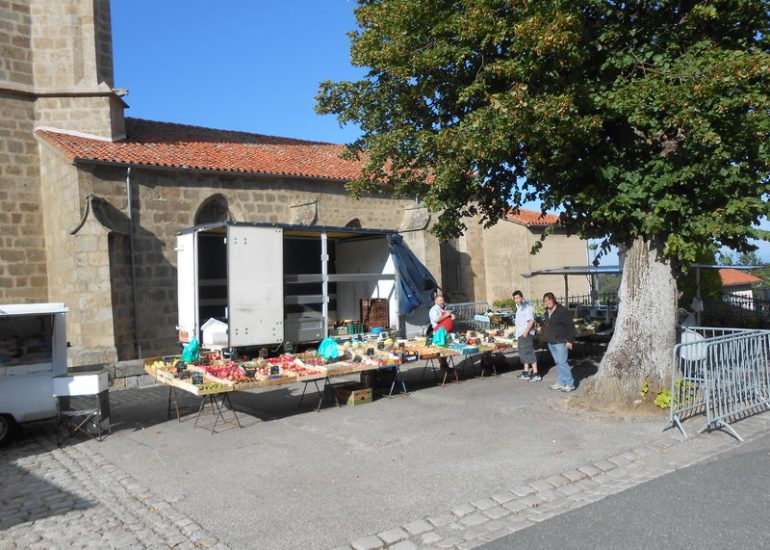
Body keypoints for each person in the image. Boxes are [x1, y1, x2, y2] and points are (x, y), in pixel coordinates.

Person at [542, 292, 577, 392]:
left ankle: (570, 384)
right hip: (551, 341)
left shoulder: (562, 311)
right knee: (558, 363)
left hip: (560, 341)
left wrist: (570, 340)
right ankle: (561, 382)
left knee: (563, 363)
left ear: (553, 299)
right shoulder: (547, 311)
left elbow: (570, 326)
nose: (547, 302)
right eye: (545, 301)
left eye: (549, 300)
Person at [512, 290, 540, 381]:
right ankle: (525, 372)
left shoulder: (526, 307)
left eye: (517, 297)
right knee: (523, 353)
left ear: (521, 297)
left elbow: (531, 321)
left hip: (526, 335)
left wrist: (525, 332)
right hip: (520, 335)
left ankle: (536, 374)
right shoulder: (520, 307)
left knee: (529, 353)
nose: (516, 300)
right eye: (514, 298)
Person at [429, 294, 455, 370]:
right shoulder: (434, 309)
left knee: (446, 349)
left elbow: (445, 318)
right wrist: (447, 315)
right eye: (440, 300)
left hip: (445, 332)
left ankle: (444, 365)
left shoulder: (442, 308)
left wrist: (451, 317)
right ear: (436, 301)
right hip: (439, 332)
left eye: (442, 300)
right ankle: (443, 365)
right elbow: (437, 320)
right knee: (441, 349)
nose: (442, 302)